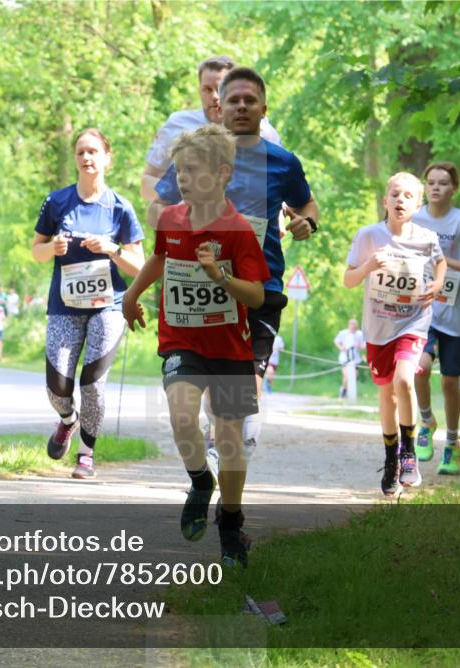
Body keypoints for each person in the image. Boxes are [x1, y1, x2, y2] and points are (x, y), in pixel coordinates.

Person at [150, 67, 318, 462]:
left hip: (260, 288)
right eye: (233, 100)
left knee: (244, 383)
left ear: (263, 108)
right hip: (199, 285)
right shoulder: (195, 157)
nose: (241, 107)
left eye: (249, 100)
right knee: (202, 380)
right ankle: (221, 446)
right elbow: (161, 203)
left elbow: (306, 203)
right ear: (218, 108)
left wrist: (306, 222)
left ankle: (223, 444)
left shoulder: (282, 162)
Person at [124, 124, 269, 566]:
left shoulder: (238, 229)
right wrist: (131, 295)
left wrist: (220, 277)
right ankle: (200, 481)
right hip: (182, 337)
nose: (182, 179)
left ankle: (230, 522)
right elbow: (162, 257)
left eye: (191, 170)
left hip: (230, 346)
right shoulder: (170, 219)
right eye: (178, 171)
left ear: (222, 173)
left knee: (229, 438)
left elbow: (257, 296)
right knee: (182, 416)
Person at [32, 128, 145, 479]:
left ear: (107, 157)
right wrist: (53, 248)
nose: (86, 157)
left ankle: (86, 453)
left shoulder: (120, 208)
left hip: (108, 305)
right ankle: (67, 419)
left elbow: (141, 266)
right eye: (81, 151)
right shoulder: (57, 202)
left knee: (93, 383)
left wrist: (112, 249)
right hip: (65, 306)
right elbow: (36, 250)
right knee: (57, 386)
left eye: (93, 151)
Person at [344, 172, 445, 496]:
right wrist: (368, 266)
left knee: (404, 381)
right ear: (385, 201)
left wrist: (438, 284)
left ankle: (410, 454)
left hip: (412, 322)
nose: (400, 200)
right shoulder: (368, 236)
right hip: (379, 328)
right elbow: (348, 280)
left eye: (408, 196)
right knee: (387, 393)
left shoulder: (427, 238)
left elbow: (440, 264)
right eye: (395, 195)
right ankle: (391, 461)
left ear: (418, 204)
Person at [411, 162, 460, 475]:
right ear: (425, 186)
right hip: (421, 310)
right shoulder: (414, 218)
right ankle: (426, 419)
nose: (436, 188)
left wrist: (445, 261)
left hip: (456, 314)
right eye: (431, 183)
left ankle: (452, 443)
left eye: (443, 183)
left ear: (454, 188)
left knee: (450, 381)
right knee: (420, 367)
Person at [140, 55, 281, 203]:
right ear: (199, 90)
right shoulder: (177, 124)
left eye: (221, 89)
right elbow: (147, 182)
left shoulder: (262, 131)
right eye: (207, 89)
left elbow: (282, 184)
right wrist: (182, 203)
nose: (214, 96)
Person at [334, 318, 366, 400]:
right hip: (344, 358)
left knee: (354, 376)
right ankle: (343, 392)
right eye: (351, 327)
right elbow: (336, 341)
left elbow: (365, 344)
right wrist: (341, 347)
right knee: (347, 376)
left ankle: (350, 394)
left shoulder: (360, 334)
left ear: (356, 327)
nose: (352, 329)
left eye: (354, 327)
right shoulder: (343, 333)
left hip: (355, 359)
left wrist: (360, 346)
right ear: (349, 326)